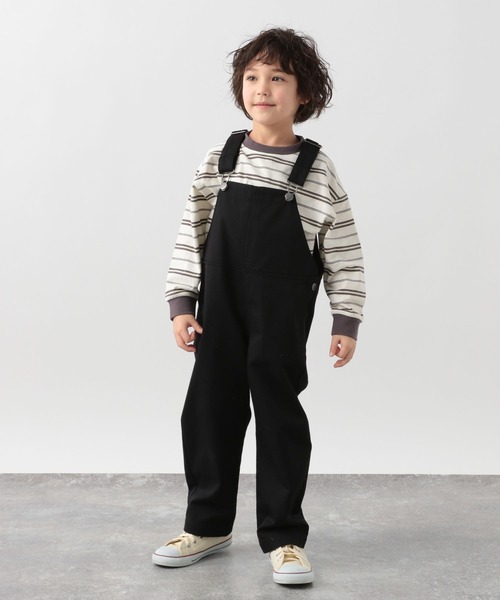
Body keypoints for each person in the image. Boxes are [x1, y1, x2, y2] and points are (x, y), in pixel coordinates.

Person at [152, 27, 366, 585]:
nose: (262, 88)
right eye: (251, 77)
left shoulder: (316, 170)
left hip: (280, 317)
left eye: (277, 78)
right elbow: (191, 234)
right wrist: (181, 302)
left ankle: (285, 537)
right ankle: (206, 525)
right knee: (209, 413)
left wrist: (346, 319)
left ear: (304, 93)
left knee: (279, 418)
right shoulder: (220, 159)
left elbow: (343, 250)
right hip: (218, 313)